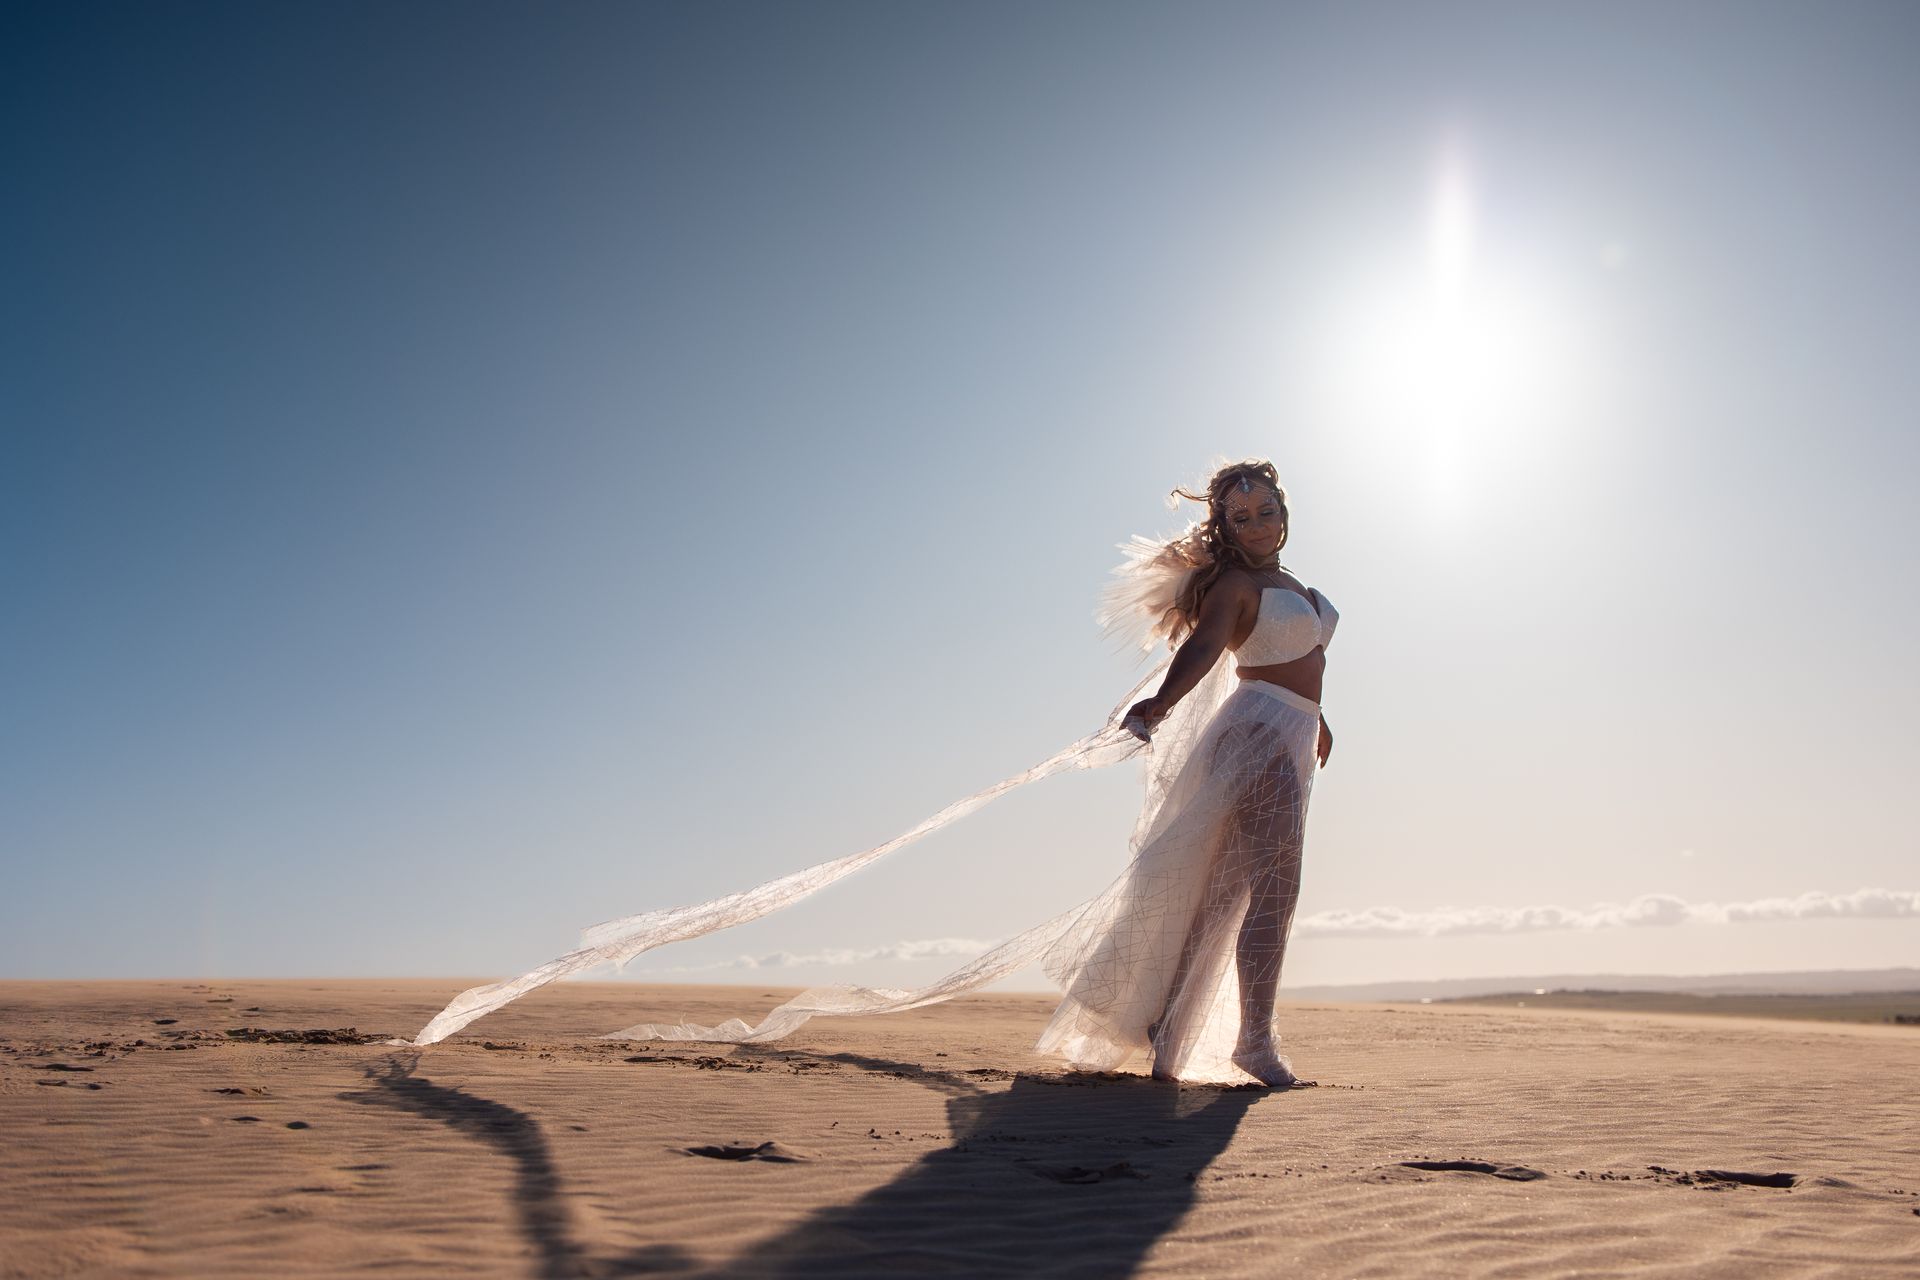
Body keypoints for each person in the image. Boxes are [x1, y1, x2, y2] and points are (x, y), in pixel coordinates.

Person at [397, 459, 1336, 1088]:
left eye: (1266, 510)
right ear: (1224, 527)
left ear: (1286, 514)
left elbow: (1301, 663)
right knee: (1270, 887)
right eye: (1239, 513)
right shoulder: (1237, 589)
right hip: (1254, 734)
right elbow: (1211, 650)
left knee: (1229, 889)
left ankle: (1179, 1035)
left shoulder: (1292, 584)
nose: (1255, 523)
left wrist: (1319, 720)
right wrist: (1161, 705)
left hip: (1289, 734)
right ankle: (1251, 1040)